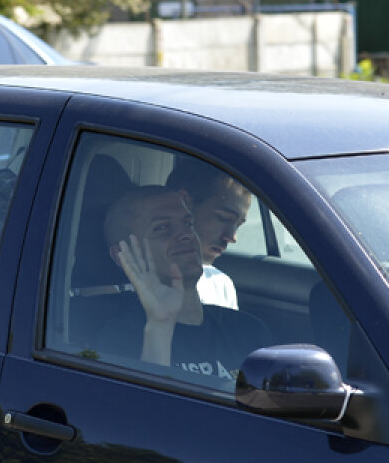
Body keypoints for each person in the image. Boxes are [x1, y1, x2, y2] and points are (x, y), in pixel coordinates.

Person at [96, 185, 270, 384]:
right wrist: (160, 324)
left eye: (188, 223)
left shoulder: (249, 331)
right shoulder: (119, 341)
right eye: (162, 228)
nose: (187, 234)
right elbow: (145, 410)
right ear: (122, 255)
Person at [164, 156, 251, 309]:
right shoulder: (138, 282)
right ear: (183, 202)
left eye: (238, 225)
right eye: (224, 218)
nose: (231, 237)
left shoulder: (221, 285)